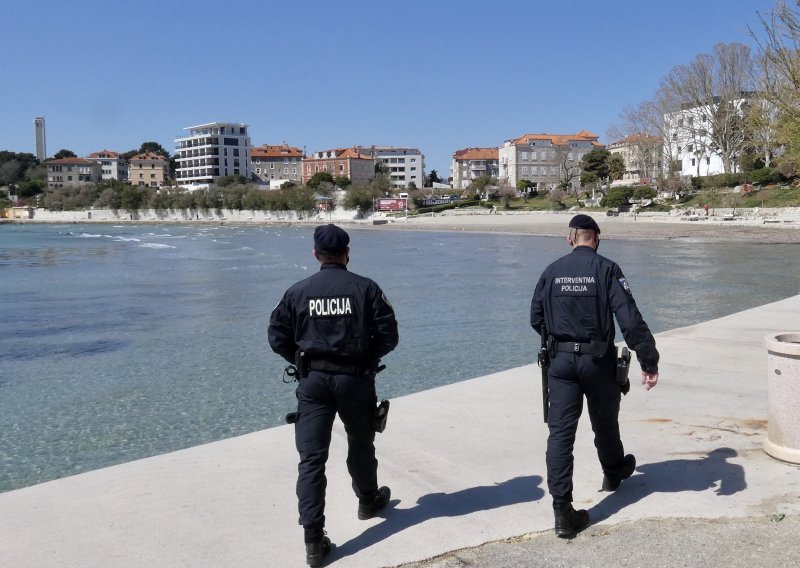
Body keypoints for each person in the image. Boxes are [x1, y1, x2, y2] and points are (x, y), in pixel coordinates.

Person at [268, 224, 399, 567]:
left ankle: (313, 540)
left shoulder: (297, 292)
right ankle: (367, 500)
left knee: (312, 459)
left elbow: (277, 336)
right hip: (355, 379)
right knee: (361, 442)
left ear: (315, 255)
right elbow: (389, 336)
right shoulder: (366, 288)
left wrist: (299, 360)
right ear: (347, 252)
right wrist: (368, 359)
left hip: (313, 382)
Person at [530, 214, 660, 538]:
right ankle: (613, 471)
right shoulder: (607, 270)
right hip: (597, 360)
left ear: (570, 238)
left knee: (560, 435)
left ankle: (562, 513)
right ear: (597, 239)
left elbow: (535, 316)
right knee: (604, 420)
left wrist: (556, 339)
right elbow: (629, 320)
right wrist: (649, 360)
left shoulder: (552, 271)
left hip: (559, 364)